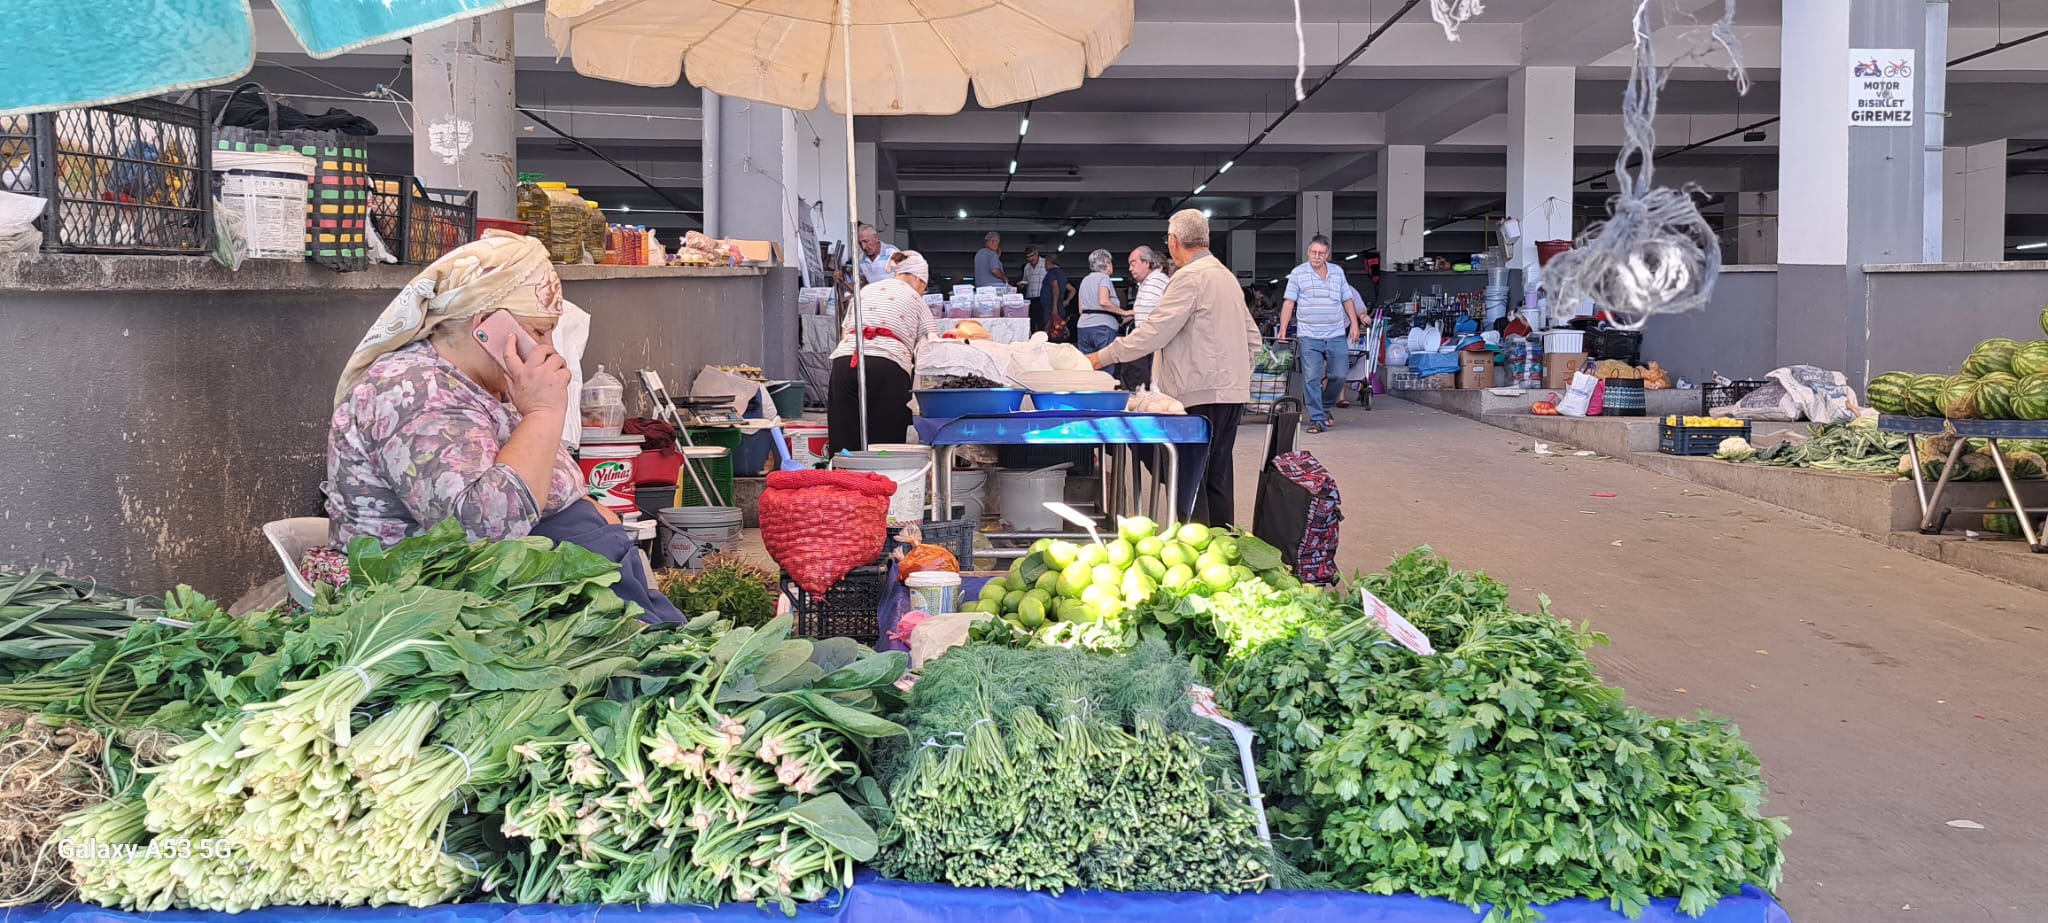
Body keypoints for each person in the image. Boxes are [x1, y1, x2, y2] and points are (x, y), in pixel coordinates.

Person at [325, 230, 682, 622]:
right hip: (452, 611)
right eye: (539, 332)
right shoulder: (414, 390)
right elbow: (483, 532)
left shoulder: (489, 384)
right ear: (486, 327)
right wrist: (544, 412)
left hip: (542, 588)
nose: (549, 349)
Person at [1086, 210, 1259, 527]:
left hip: (1200, 395)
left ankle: (1199, 557)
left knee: (1189, 481)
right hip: (1231, 394)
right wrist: (1236, 380)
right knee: (1217, 478)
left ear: (1175, 242)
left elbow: (1155, 331)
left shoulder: (1190, 278)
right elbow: (1254, 339)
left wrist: (1100, 358)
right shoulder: (1225, 277)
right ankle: (1226, 552)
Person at [828, 250, 939, 454]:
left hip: (845, 362)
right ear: (917, 278)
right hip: (887, 366)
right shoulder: (915, 299)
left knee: (844, 436)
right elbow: (930, 346)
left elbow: (846, 332)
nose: (922, 291)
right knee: (885, 441)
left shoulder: (865, 291)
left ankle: (843, 480)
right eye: (923, 285)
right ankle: (880, 480)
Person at [1276, 234, 1361, 434]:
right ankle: (1317, 419)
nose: (1316, 256)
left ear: (1327, 254)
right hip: (1309, 335)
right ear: (1308, 252)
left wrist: (1355, 324)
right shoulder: (1298, 273)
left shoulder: (1337, 273)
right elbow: (1289, 302)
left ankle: (1323, 407)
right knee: (1311, 378)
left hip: (1336, 334)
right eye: (1313, 252)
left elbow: (1347, 300)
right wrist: (1283, 329)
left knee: (1339, 374)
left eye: (1321, 253)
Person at [1117, 245, 1171, 390]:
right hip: (1144, 343)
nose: (1130, 269)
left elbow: (1157, 314)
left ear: (1146, 263)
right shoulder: (1145, 283)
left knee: (1141, 383)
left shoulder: (1157, 281)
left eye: (1133, 264)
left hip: (1151, 344)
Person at [1075, 249, 1129, 373]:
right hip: (1103, 328)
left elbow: (1080, 309)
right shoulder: (1104, 278)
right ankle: (1105, 391)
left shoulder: (1085, 280)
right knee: (1105, 366)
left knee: (1087, 365)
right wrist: (1124, 312)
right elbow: (1104, 301)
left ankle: (1087, 390)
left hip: (1083, 327)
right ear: (1107, 263)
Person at [1034, 252, 1073, 341]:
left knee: (1050, 331)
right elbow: (1072, 289)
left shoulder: (1051, 273)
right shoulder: (1061, 274)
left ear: (1047, 262)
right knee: (1059, 329)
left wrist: (1054, 307)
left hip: (1051, 307)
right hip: (1060, 306)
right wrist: (1067, 300)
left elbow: (1055, 289)